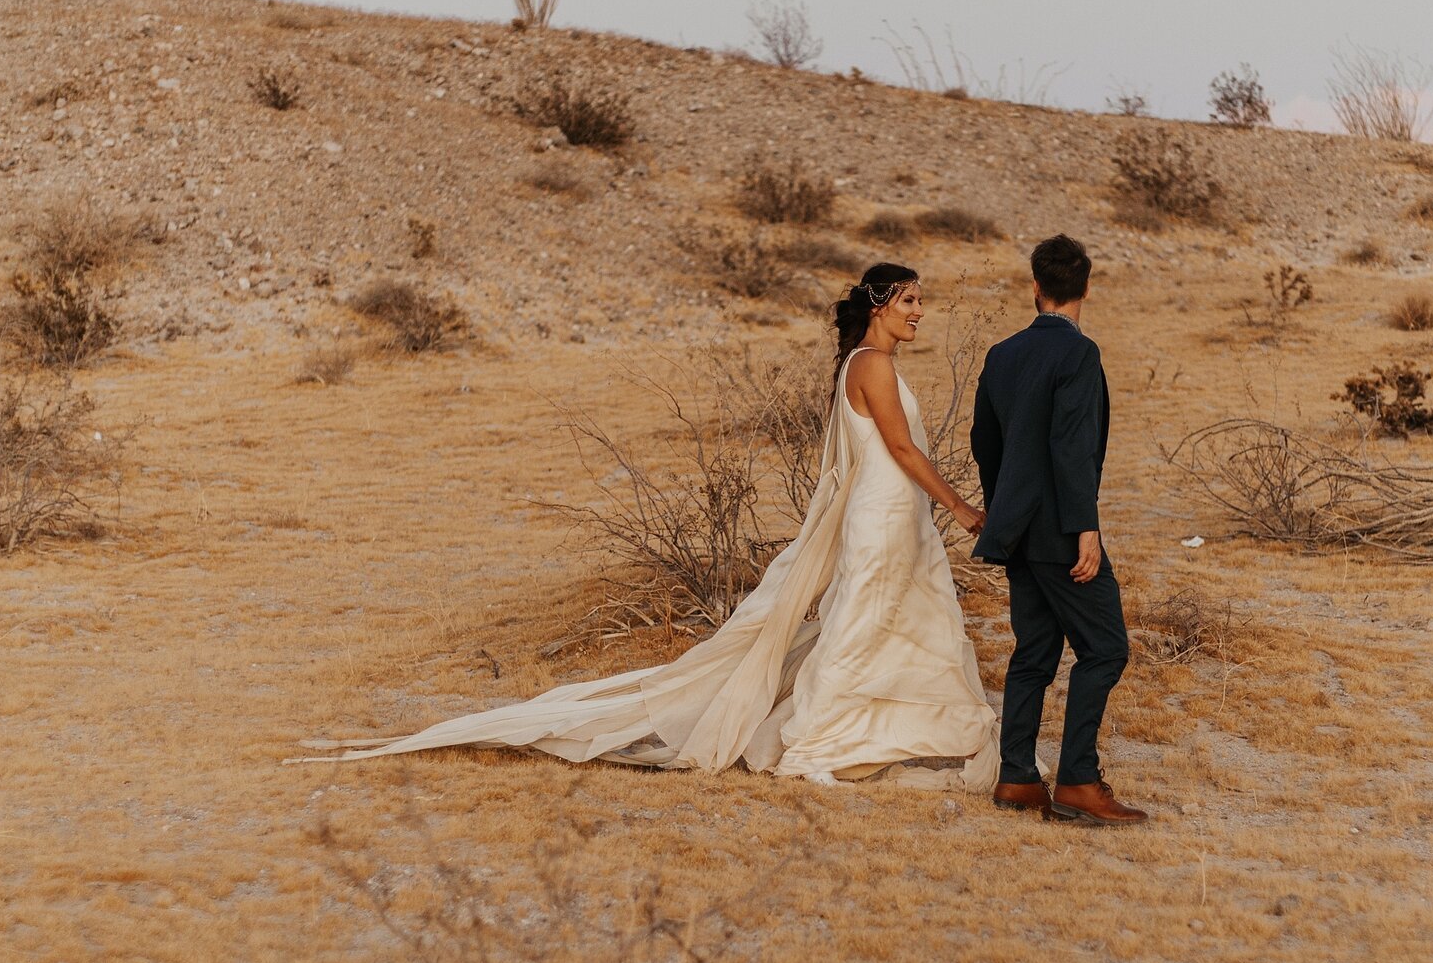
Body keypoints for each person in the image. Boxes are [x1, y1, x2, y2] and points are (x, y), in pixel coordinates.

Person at [299, 264, 1000, 788]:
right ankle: (822, 736)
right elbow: (903, 449)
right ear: (879, 305)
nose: (919, 313)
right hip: (884, 510)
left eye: (919, 302)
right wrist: (965, 509)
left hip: (898, 510)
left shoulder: (869, 361)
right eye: (909, 301)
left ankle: (894, 725)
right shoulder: (872, 364)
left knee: (900, 616)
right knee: (864, 622)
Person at [969, 234, 1147, 825]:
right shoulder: (1079, 354)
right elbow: (1071, 448)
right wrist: (1085, 529)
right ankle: (1076, 781)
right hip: (1061, 533)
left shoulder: (1001, 355)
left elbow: (984, 444)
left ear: (1036, 288)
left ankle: (1017, 777)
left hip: (1016, 528)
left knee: (1034, 653)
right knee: (1106, 648)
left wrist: (1003, 511)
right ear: (1086, 288)